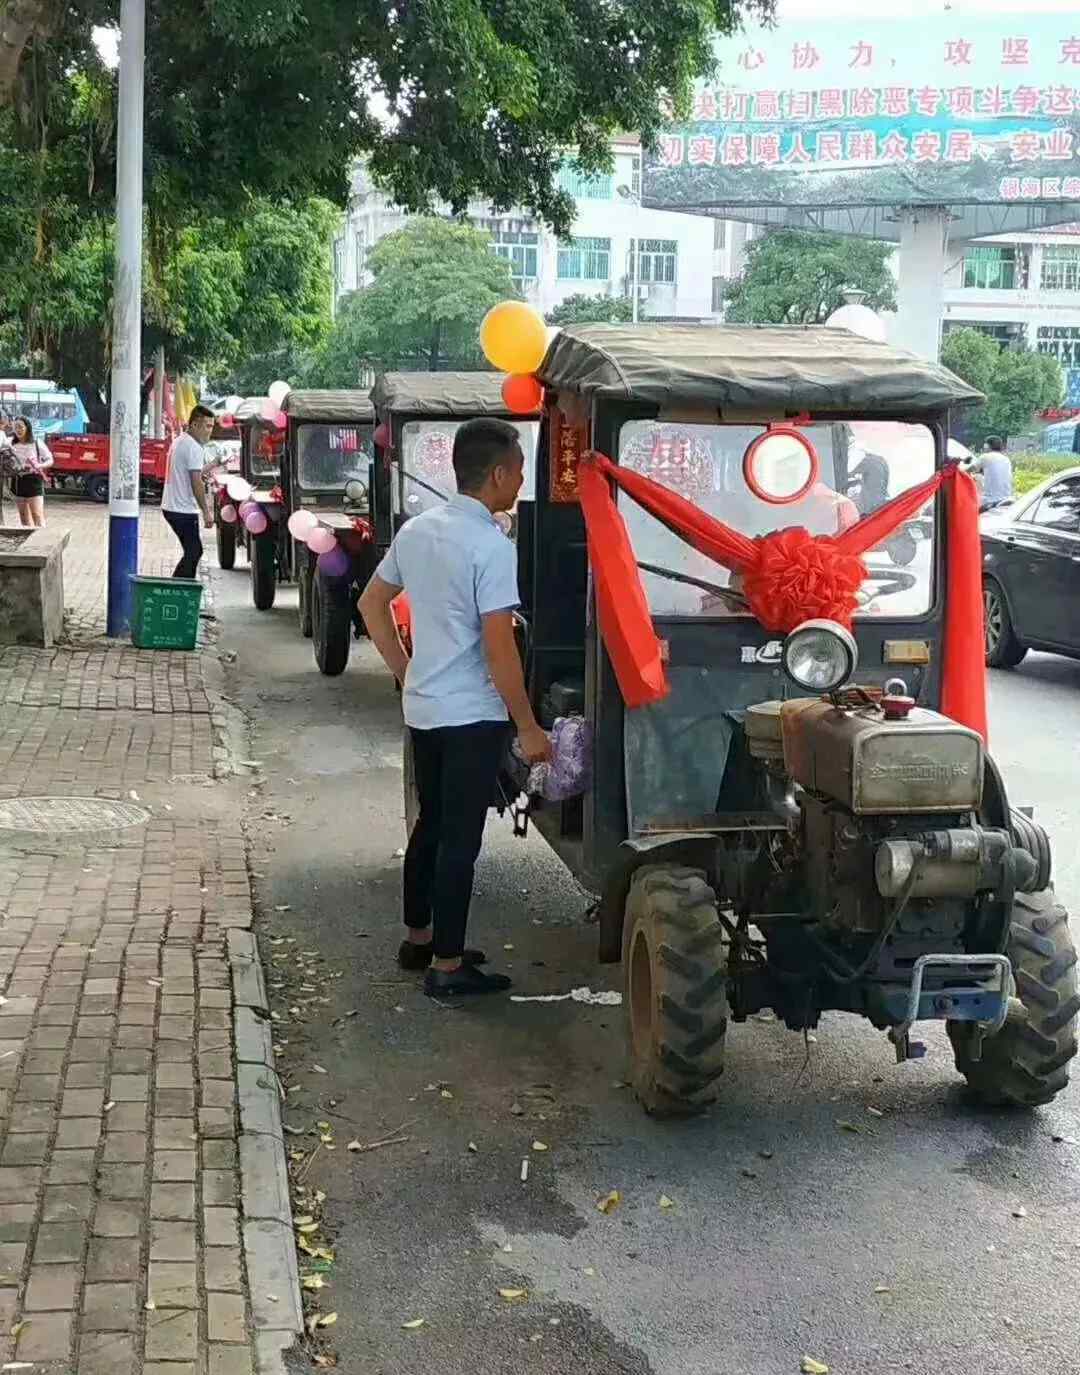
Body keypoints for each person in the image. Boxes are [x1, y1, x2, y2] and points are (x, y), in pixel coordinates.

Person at [359, 417, 552, 998]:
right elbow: (499, 648)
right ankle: (446, 966)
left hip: (425, 709)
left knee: (432, 824)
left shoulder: (419, 530)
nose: (521, 482)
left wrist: (405, 670)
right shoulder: (490, 546)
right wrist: (528, 725)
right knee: (459, 838)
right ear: (496, 474)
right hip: (471, 714)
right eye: (518, 471)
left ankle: (420, 938)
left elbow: (373, 606)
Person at [162, 405, 215, 578]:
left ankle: (181, 590)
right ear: (194, 425)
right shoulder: (194, 447)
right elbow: (195, 482)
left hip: (171, 506)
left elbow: (193, 473)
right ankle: (178, 592)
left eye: (212, 426)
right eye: (207, 426)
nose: (210, 431)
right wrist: (206, 512)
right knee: (194, 552)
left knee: (192, 552)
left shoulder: (180, 441)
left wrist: (213, 465)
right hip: (182, 508)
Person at [9, 415, 53, 527]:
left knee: (37, 515)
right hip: (18, 481)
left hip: (34, 480)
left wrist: (40, 465)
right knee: (23, 517)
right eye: (15, 427)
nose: (18, 430)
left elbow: (50, 459)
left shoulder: (37, 443)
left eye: (20, 427)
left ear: (27, 427)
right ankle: (28, 543)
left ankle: (42, 541)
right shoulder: (10, 443)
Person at [967, 435, 1013, 511]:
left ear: (987, 445)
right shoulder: (1006, 459)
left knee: (969, 509)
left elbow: (968, 470)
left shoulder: (985, 457)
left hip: (990, 500)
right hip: (1007, 499)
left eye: (985, 443)